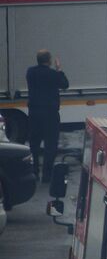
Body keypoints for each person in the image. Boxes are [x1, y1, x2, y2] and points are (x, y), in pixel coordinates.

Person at [25, 50, 67, 181]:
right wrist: (59, 69)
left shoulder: (30, 72)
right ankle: (47, 175)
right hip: (50, 114)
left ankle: (34, 171)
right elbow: (65, 84)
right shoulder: (53, 74)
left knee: (34, 144)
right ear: (49, 61)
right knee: (50, 145)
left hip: (34, 113)